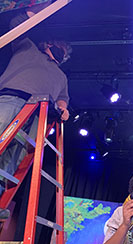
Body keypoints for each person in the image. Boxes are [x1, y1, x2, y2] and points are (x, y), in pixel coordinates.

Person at [0, 1, 71, 220]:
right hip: (12, 97)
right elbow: (17, 25)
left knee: (15, 156)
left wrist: (63, 109)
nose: (64, 52)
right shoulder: (28, 48)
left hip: (36, 114)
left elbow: (63, 99)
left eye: (66, 52)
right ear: (50, 45)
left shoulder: (62, 76)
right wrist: (35, 11)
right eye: (62, 47)